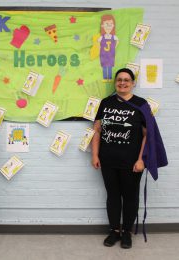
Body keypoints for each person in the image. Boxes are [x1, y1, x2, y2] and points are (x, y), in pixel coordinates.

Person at [91, 68, 147, 249]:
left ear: (133, 83)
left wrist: (141, 159)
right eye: (119, 80)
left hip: (132, 162)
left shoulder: (141, 104)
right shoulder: (106, 103)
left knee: (130, 197)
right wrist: (94, 154)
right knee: (113, 196)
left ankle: (127, 233)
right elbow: (97, 131)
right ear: (115, 83)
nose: (122, 83)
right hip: (108, 160)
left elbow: (148, 135)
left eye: (126, 80)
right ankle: (114, 230)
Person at [98, 15, 119, 82]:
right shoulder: (102, 37)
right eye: (107, 24)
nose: (109, 26)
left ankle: (109, 78)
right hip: (103, 54)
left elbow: (117, 41)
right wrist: (100, 48)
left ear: (113, 26)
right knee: (104, 66)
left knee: (109, 66)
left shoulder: (113, 36)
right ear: (102, 25)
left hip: (110, 54)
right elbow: (98, 42)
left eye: (111, 24)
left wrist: (114, 47)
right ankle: (105, 78)